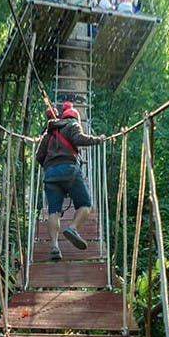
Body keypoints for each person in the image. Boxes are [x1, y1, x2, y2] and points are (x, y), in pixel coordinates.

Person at [35, 101, 104, 260]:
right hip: (69, 171)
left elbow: (39, 156)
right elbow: (79, 139)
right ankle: (72, 228)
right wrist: (98, 139)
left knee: (54, 212)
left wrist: (49, 168)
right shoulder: (73, 124)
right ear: (75, 118)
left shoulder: (49, 133)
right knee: (85, 204)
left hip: (50, 174)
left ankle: (54, 246)